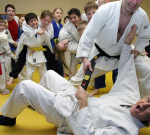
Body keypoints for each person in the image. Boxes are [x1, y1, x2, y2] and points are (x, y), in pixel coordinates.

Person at [0, 26, 150, 134]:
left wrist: (83, 102)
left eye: (149, 108)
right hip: (77, 98)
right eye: (148, 101)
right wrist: (126, 43)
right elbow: (126, 69)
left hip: (69, 114)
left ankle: (8, 118)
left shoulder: (127, 129)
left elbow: (87, 133)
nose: (144, 105)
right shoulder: (132, 98)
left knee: (24, 87)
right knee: (49, 75)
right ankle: (35, 102)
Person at [69, 0, 150, 98]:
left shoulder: (142, 16)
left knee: (147, 70)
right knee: (75, 82)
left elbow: (145, 37)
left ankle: (145, 105)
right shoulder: (106, 10)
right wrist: (85, 58)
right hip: (98, 54)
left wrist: (137, 49)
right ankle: (63, 103)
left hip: (125, 53)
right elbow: (88, 34)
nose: (135, 1)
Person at [14, 12, 52, 81]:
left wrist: (52, 51)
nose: (34, 22)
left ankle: (44, 88)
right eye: (31, 21)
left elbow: (48, 42)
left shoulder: (43, 32)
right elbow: (20, 45)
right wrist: (16, 55)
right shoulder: (25, 34)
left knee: (43, 72)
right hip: (30, 54)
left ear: (38, 20)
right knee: (29, 74)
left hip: (40, 53)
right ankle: (29, 88)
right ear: (27, 23)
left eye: (35, 20)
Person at [0, 17, 15, 95]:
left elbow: (7, 44)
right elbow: (7, 48)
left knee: (2, 72)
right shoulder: (3, 36)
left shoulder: (4, 33)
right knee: (1, 74)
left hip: (2, 55)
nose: (2, 27)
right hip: (1, 56)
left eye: (3, 25)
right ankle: (3, 89)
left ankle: (3, 87)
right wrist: (14, 57)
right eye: (0, 25)